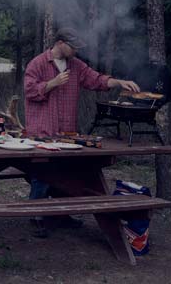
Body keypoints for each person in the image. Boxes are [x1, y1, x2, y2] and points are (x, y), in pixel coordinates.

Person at [23, 27, 140, 238]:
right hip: (42, 131)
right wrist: (52, 83)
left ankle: (62, 214)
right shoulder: (38, 63)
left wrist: (118, 82)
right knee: (42, 174)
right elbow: (30, 91)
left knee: (66, 172)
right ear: (60, 43)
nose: (76, 51)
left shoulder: (76, 66)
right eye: (73, 47)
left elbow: (97, 80)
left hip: (67, 132)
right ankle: (36, 216)